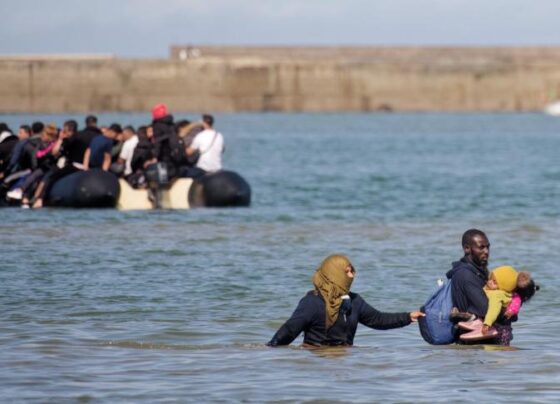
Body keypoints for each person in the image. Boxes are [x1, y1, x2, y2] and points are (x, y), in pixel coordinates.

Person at [267, 254, 424, 347]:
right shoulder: (312, 302)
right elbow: (289, 331)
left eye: (352, 271)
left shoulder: (354, 301)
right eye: (346, 272)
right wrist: (269, 350)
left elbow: (378, 320)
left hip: (345, 360)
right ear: (333, 274)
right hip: (316, 360)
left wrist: (408, 317)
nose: (351, 276)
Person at [446, 229, 515, 345]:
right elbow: (486, 309)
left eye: (488, 247)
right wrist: (511, 311)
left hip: (482, 344)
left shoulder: (478, 272)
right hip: (475, 347)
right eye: (481, 247)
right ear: (467, 248)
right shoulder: (466, 275)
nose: (486, 251)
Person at [457, 266, 538, 341]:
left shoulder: (498, 295)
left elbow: (494, 308)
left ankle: (482, 326)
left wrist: (487, 323)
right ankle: (476, 321)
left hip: (499, 330)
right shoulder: (493, 290)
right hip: (492, 324)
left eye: (494, 282)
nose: (489, 282)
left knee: (500, 351)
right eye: (490, 278)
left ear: (503, 287)